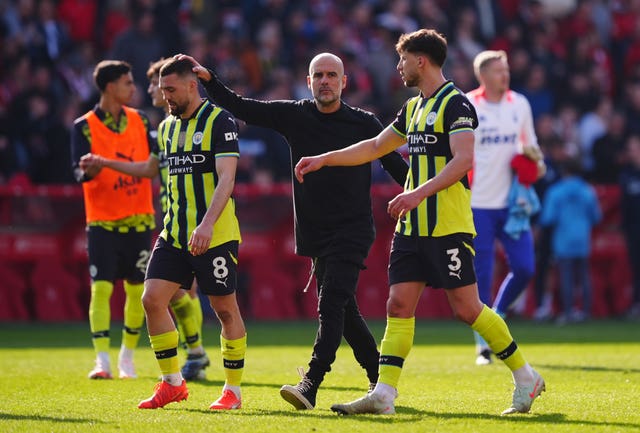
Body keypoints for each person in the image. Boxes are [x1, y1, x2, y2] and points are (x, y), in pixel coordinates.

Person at [295, 28, 545, 416]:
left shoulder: (457, 105)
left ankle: (526, 377)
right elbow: (376, 147)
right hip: (412, 229)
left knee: (467, 308)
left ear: (421, 61)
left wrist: (416, 193)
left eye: (403, 59)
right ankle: (384, 394)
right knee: (398, 305)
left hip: (447, 224)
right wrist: (325, 158)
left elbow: (463, 160)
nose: (398, 67)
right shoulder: (412, 108)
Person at [178, 51, 409, 410]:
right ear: (309, 82)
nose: (325, 81)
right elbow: (243, 107)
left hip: (353, 229)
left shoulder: (364, 122)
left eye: (332, 75)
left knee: (330, 303)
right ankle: (380, 380)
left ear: (344, 82)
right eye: (319, 75)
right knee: (345, 311)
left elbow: (396, 164)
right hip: (316, 232)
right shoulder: (294, 114)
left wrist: (425, 191)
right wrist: (210, 81)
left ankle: (311, 383)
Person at [80, 58, 211, 381]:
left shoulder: (178, 126)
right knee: (179, 293)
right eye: (155, 85)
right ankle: (195, 353)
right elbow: (150, 169)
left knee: (185, 294)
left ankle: (196, 353)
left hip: (191, 222)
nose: (151, 90)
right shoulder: (163, 130)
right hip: (169, 221)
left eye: (158, 85)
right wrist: (105, 163)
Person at [135, 57, 246, 410]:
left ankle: (233, 391)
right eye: (162, 89)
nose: (164, 95)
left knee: (225, 310)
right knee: (152, 299)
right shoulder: (166, 128)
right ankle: (172, 383)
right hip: (175, 234)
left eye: (170, 89)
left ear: (191, 85)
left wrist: (208, 223)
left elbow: (226, 178)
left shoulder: (219, 120)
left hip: (215, 234)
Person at [70, 60, 155, 380]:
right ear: (109, 87)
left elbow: (153, 163)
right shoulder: (84, 126)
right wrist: (89, 169)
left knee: (136, 292)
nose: (133, 88)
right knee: (101, 289)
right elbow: (78, 172)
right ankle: (102, 360)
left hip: (139, 219)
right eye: (127, 83)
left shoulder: (141, 120)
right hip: (103, 221)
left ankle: (127, 358)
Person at [466, 50, 545, 365]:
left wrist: (536, 164)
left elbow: (532, 147)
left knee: (525, 267)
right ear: (483, 75)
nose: (505, 75)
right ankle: (483, 346)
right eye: (499, 70)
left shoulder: (520, 104)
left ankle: (496, 316)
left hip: (513, 205)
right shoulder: (469, 105)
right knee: (481, 276)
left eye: (506, 69)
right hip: (477, 203)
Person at [539, 158, 602, 325]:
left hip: (563, 239)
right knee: (584, 277)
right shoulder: (588, 191)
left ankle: (568, 312)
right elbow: (596, 217)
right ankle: (586, 312)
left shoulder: (556, 191)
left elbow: (547, 218)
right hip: (582, 239)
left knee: (566, 277)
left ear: (564, 171)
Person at [618, 135, 640, 319]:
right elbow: (624, 205)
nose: (631, 152)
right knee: (635, 267)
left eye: (634, 148)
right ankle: (636, 304)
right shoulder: (626, 174)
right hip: (633, 230)